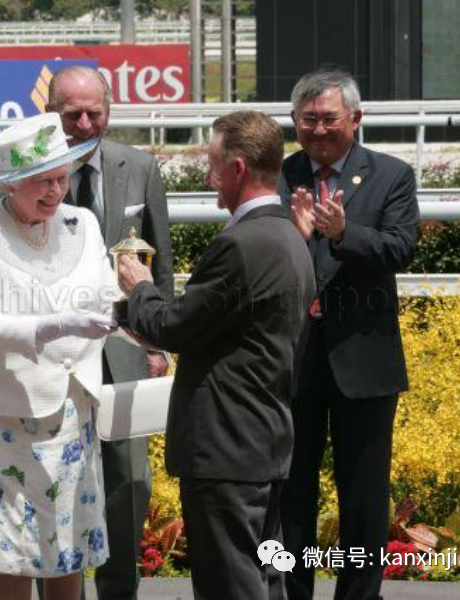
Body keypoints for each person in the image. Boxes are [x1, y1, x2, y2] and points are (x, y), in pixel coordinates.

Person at [117, 110, 316, 600]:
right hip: (262, 440)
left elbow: (175, 327)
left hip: (227, 447)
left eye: (212, 165)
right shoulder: (291, 236)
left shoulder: (243, 243)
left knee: (232, 584)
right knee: (264, 580)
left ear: (239, 169)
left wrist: (140, 288)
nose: (209, 178)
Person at [0, 112, 121, 600]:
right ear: (9, 185)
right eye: (41, 182)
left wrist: (150, 328)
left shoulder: (83, 223)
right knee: (14, 546)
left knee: (70, 543)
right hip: (8, 411)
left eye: (62, 178)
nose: (55, 192)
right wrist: (60, 325)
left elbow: (108, 295)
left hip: (73, 407)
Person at [278, 69, 420, 600]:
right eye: (306, 120)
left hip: (363, 360)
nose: (316, 130)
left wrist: (343, 234)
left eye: (328, 119)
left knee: (363, 496)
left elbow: (400, 248)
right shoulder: (278, 174)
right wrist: (288, 241)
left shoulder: (391, 176)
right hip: (293, 358)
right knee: (291, 492)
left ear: (356, 119)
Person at [45, 64, 175, 600]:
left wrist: (160, 342)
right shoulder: (24, 173)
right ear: (49, 113)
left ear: (109, 110)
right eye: (70, 113)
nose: (82, 123)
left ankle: (119, 592)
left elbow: (160, 259)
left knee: (129, 483)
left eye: (92, 112)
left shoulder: (139, 167)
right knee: (55, 482)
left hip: (124, 349)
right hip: (52, 358)